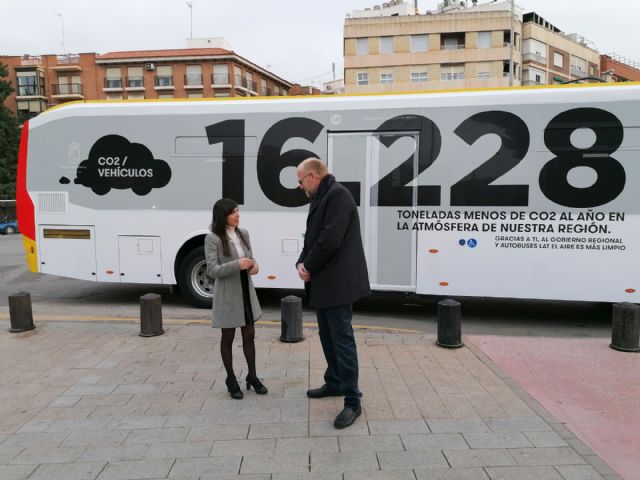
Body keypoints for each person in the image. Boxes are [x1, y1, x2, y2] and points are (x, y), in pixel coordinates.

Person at [296, 157, 370, 429]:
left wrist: (309, 266)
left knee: (342, 341)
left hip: (338, 284)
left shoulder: (338, 196)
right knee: (328, 337)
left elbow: (330, 239)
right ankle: (335, 382)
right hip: (325, 283)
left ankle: (353, 400)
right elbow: (311, 237)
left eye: (301, 180)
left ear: (313, 177)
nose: (300, 185)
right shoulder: (321, 196)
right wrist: (301, 262)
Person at [205, 198, 267, 399]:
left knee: (249, 335)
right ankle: (231, 379)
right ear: (223, 216)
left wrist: (254, 265)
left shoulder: (243, 233)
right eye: (233, 212)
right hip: (228, 295)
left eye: (238, 211)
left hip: (246, 292)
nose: (238, 215)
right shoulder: (213, 238)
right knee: (228, 338)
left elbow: (250, 257)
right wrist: (236, 265)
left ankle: (252, 376)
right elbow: (212, 270)